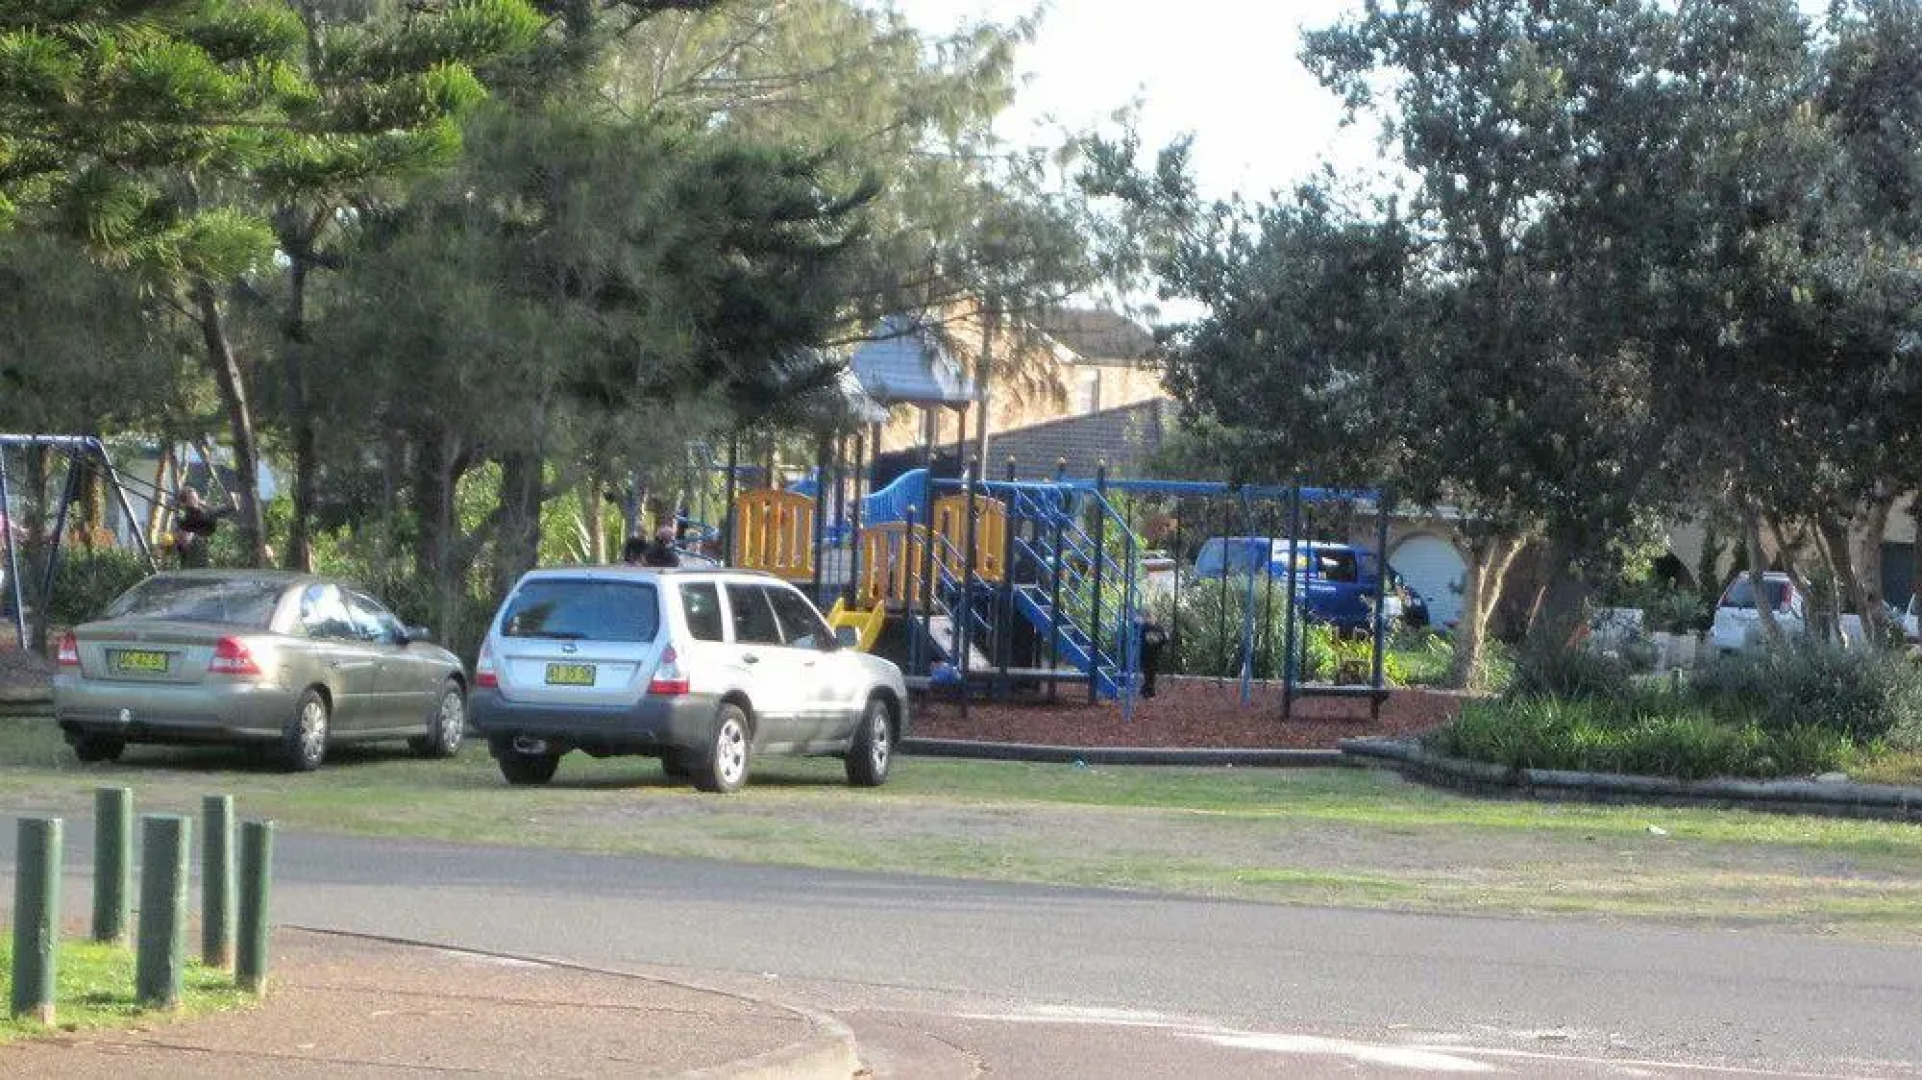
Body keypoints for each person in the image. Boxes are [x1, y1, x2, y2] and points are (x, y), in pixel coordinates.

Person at [171, 488, 232, 569]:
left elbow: (212, 513)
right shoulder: (188, 517)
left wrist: (228, 507)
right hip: (192, 559)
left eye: (196, 497)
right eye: (192, 498)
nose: (196, 500)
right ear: (185, 503)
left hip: (202, 556)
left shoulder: (201, 510)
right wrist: (228, 507)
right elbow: (211, 515)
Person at [1136, 614, 1170, 699]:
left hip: (1155, 654)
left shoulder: (1159, 628)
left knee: (1152, 673)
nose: (1150, 620)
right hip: (1145, 654)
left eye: (1151, 618)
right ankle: (1148, 691)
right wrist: (1137, 621)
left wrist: (1163, 639)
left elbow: (1164, 640)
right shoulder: (1144, 626)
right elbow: (1137, 630)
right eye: (1148, 618)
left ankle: (1147, 690)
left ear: (1155, 618)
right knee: (1147, 673)